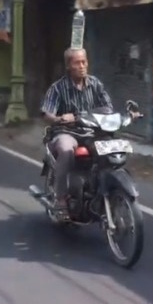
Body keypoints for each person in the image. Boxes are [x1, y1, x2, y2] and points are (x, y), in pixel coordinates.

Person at [40, 48, 113, 213]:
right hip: (66, 132)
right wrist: (59, 119)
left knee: (110, 150)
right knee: (66, 150)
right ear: (68, 66)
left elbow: (107, 107)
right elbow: (46, 112)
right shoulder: (58, 88)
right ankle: (60, 199)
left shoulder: (95, 84)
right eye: (77, 63)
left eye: (84, 62)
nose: (82, 66)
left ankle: (101, 189)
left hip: (91, 132)